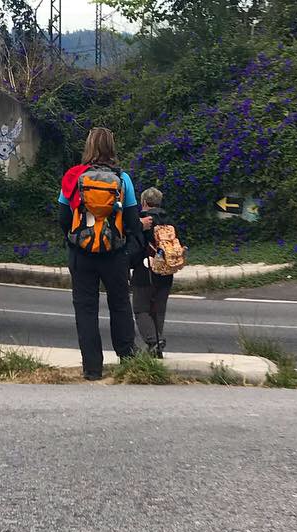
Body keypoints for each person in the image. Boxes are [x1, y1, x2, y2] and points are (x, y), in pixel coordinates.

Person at [58, 128, 141, 380]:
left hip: (81, 255)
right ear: (112, 148)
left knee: (86, 309)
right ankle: (128, 359)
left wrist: (75, 241)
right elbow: (133, 221)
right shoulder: (122, 179)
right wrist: (127, 248)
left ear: (88, 147)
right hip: (114, 254)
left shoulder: (74, 177)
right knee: (120, 305)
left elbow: (63, 218)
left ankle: (92, 369)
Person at [130, 186, 182, 358]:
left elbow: (135, 248)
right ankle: (156, 349)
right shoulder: (170, 221)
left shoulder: (142, 221)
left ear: (144, 202)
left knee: (141, 309)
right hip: (167, 271)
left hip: (145, 270)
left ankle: (153, 341)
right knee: (158, 310)